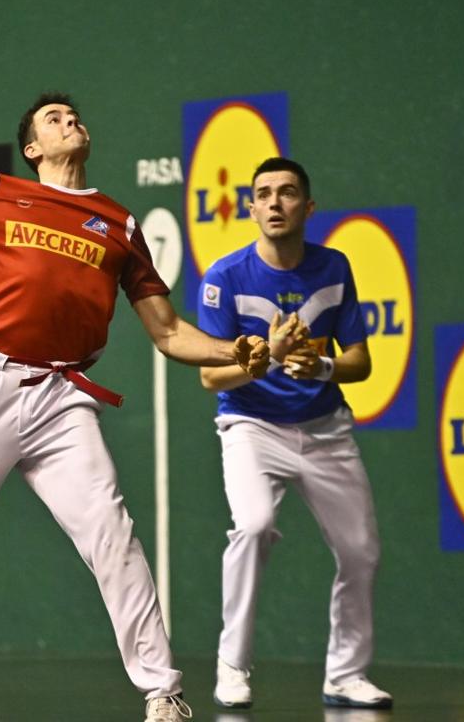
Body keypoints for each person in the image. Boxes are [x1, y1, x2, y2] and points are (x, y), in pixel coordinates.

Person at [0, 92, 277, 722]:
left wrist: (233, 349)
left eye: (75, 115)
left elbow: (170, 331)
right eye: (53, 119)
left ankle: (162, 690)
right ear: (33, 147)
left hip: (62, 399)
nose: (70, 121)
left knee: (112, 535)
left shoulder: (118, 225)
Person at [196, 157, 392, 710]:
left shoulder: (335, 267)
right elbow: (212, 375)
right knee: (254, 525)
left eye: (287, 193)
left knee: (361, 552)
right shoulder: (226, 278)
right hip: (251, 427)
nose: (276, 202)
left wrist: (321, 366)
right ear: (251, 208)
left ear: (308, 207)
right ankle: (232, 666)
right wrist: (270, 358)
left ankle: (346, 675)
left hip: (326, 429)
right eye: (265, 194)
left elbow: (359, 360)